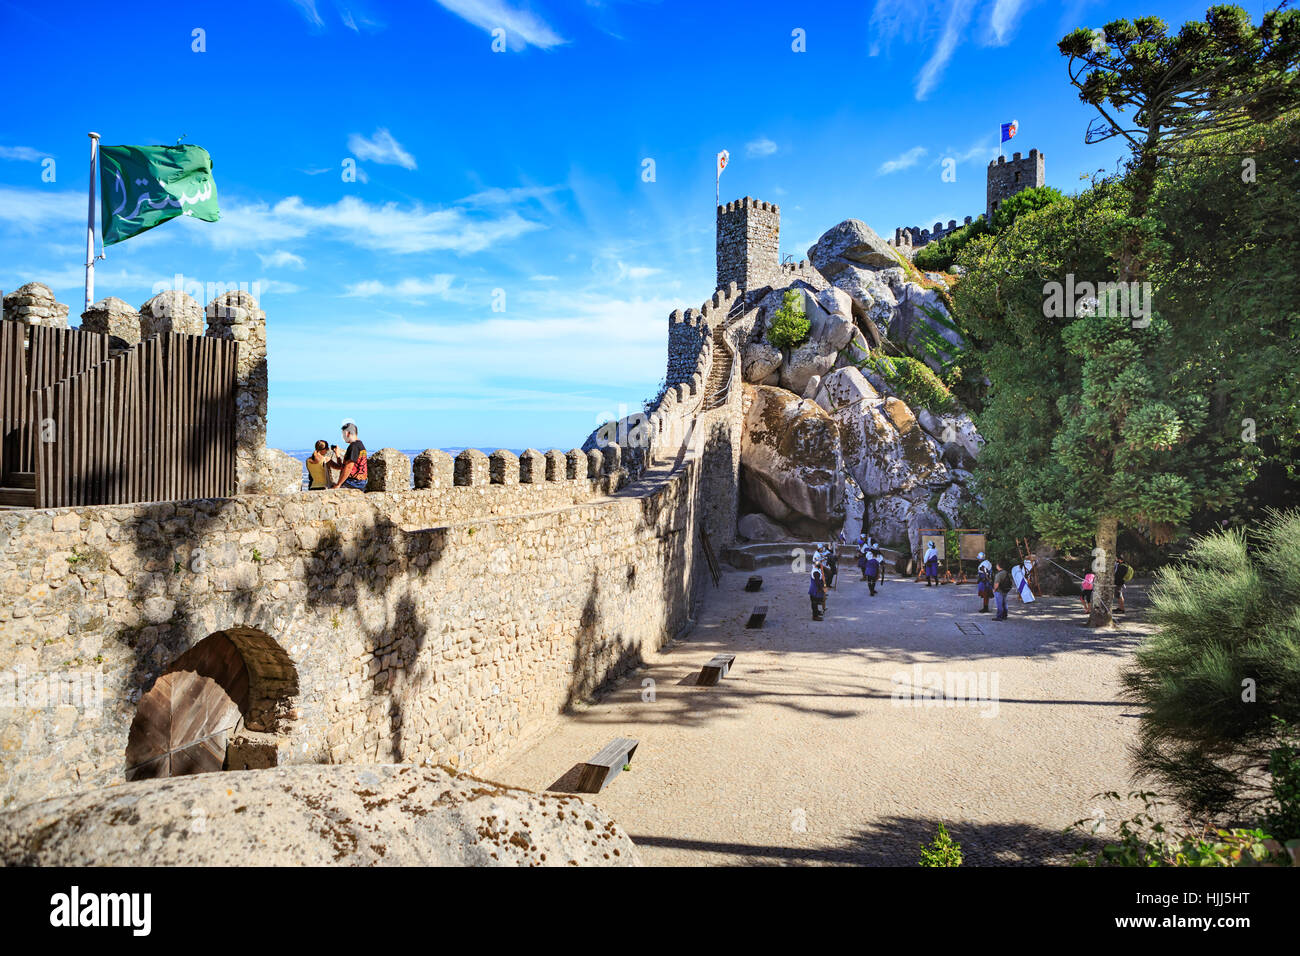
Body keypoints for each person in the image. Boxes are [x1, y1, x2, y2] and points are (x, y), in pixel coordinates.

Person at [329, 419, 368, 490]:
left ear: (348, 433)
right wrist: (338, 455)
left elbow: (349, 467)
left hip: (353, 482)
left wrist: (338, 485)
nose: (343, 437)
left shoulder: (354, 446)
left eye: (343, 434)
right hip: (359, 482)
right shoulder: (360, 445)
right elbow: (343, 467)